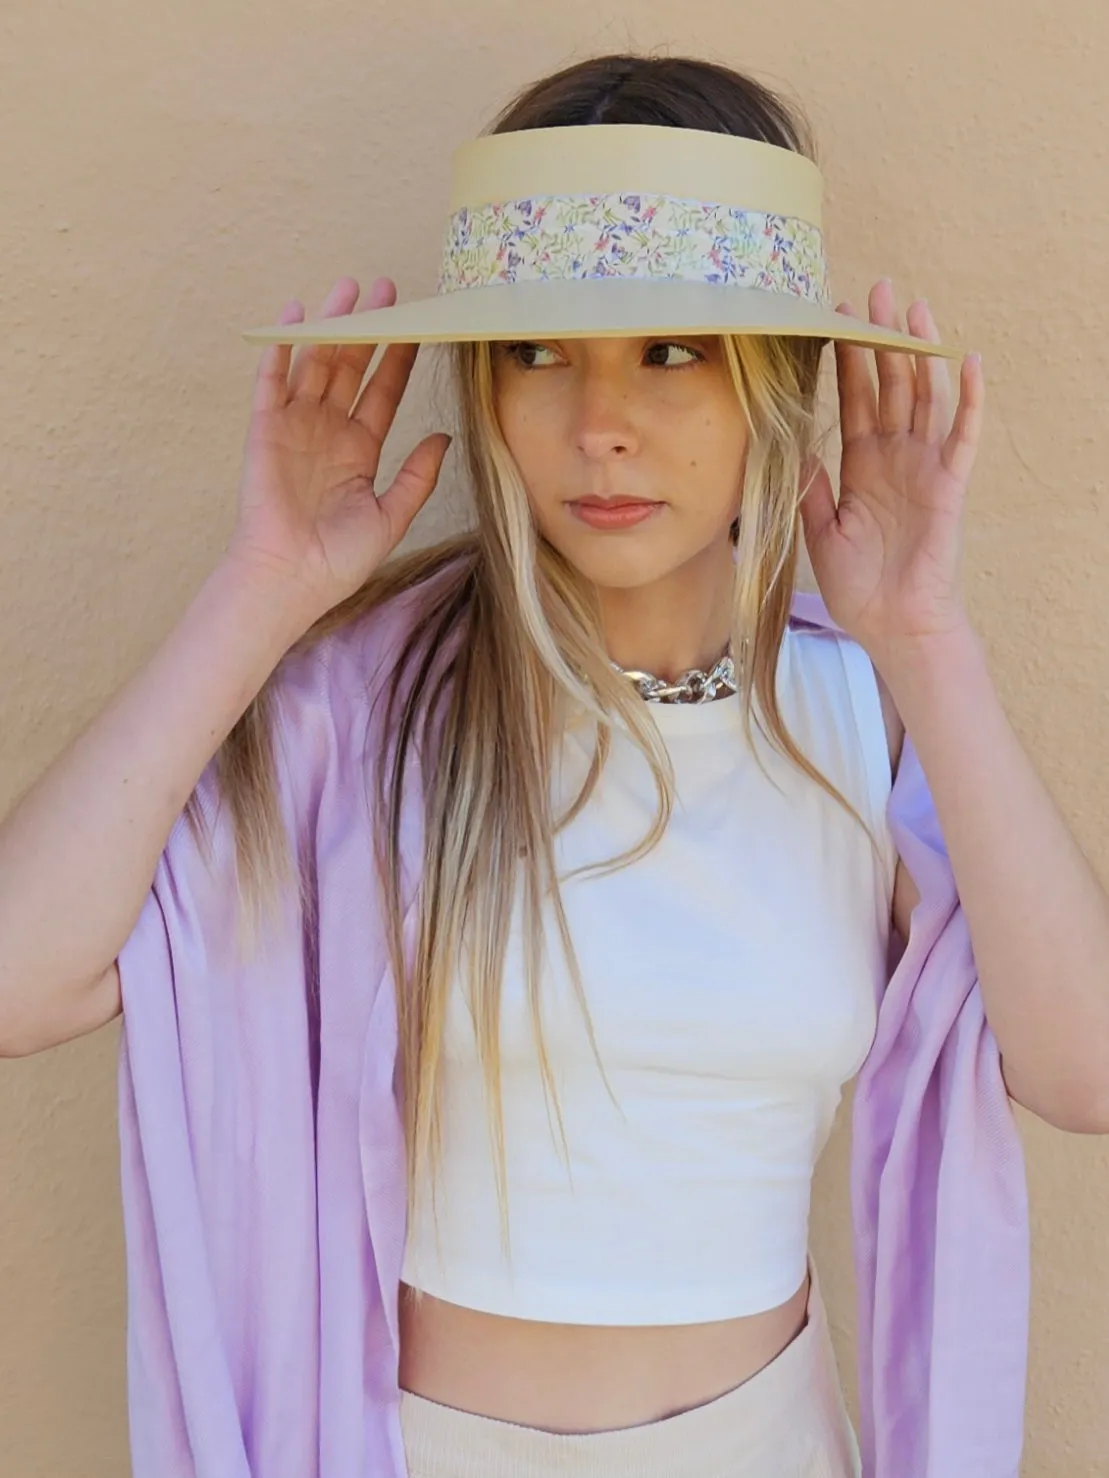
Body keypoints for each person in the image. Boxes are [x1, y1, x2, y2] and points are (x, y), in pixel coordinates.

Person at [3, 50, 1108, 1478]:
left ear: (778, 381)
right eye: (540, 350)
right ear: (485, 388)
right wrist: (265, 587)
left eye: (671, 348)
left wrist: (926, 638)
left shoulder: (863, 710)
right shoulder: (375, 702)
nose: (601, 422)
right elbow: (21, 978)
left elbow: (1083, 1067)